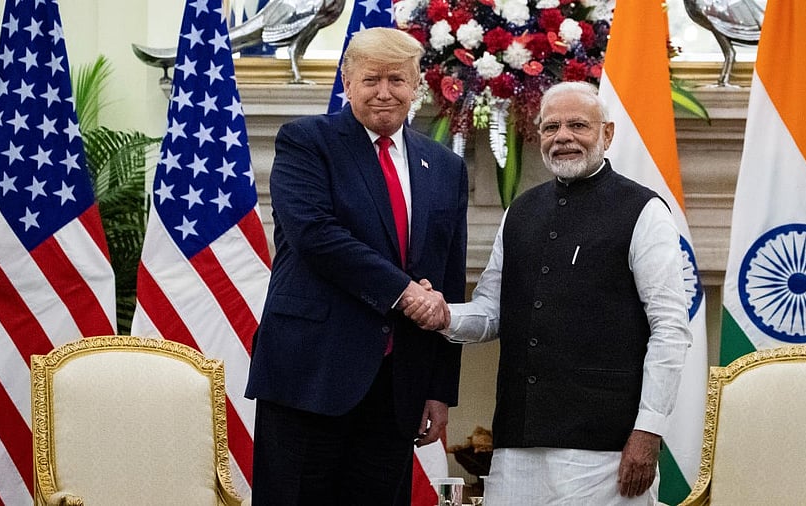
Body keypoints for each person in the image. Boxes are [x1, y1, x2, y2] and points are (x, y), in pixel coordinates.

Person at [405, 81, 692, 505]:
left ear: (607, 134)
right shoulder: (520, 211)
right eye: (551, 127)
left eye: (578, 125)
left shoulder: (644, 211)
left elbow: (670, 329)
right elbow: (491, 311)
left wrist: (648, 432)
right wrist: (443, 314)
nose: (563, 137)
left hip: (604, 449)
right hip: (516, 444)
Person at [245, 27, 468, 505]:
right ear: (347, 83)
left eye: (397, 80)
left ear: (416, 88)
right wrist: (406, 294)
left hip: (396, 389)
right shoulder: (307, 143)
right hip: (310, 374)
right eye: (371, 79)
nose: (384, 92)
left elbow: (448, 281)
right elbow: (317, 237)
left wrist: (438, 389)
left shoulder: (445, 166)